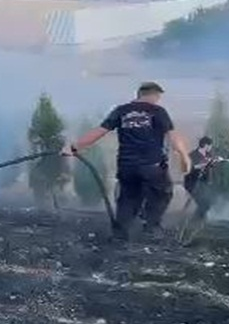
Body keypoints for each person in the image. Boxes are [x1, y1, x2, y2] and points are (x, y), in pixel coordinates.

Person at [62, 82, 191, 240]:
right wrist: (184, 155)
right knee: (161, 193)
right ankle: (151, 227)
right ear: (153, 95)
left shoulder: (121, 111)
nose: (158, 100)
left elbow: (99, 131)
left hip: (127, 166)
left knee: (128, 198)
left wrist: (74, 147)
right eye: (157, 97)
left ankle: (121, 234)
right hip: (152, 165)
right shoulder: (158, 111)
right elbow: (173, 136)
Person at [183, 136, 221, 222]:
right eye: (210, 146)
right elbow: (190, 168)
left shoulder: (208, 155)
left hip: (203, 183)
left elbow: (211, 164)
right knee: (203, 203)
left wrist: (215, 161)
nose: (211, 148)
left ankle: (198, 219)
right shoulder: (192, 155)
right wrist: (205, 164)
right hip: (192, 183)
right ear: (205, 145)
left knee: (208, 202)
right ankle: (197, 220)